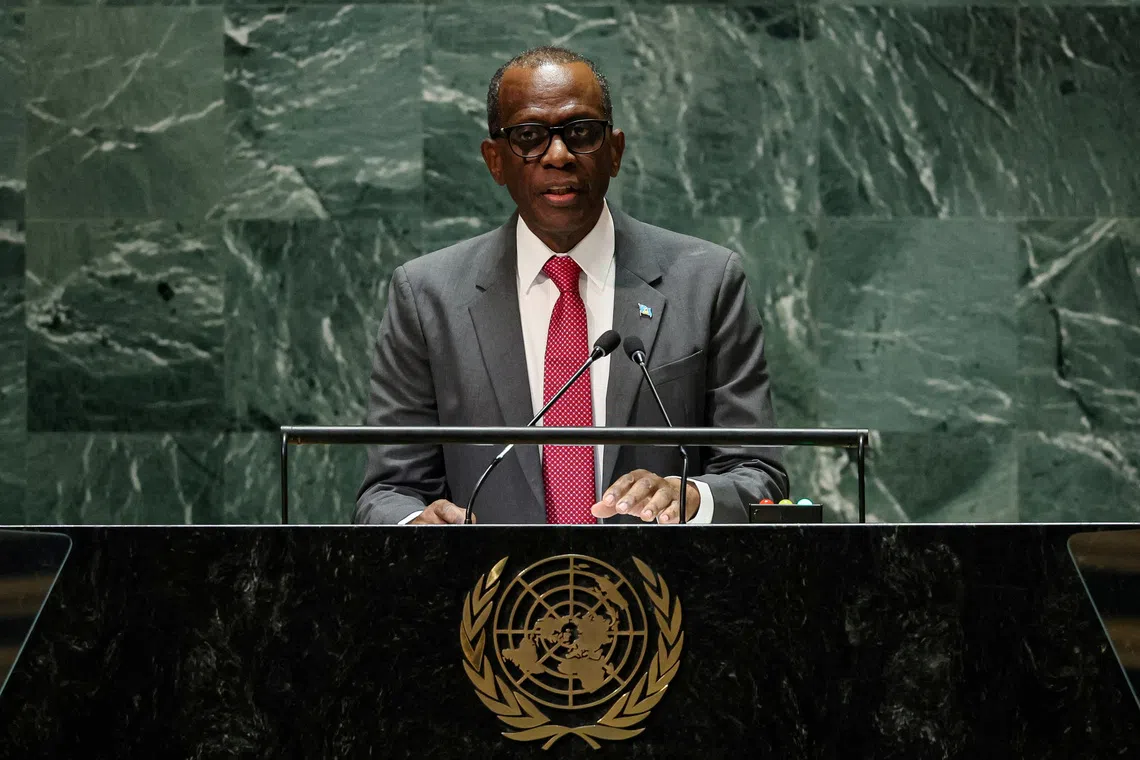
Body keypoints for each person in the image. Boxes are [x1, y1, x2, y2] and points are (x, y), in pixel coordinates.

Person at [355, 46, 788, 525]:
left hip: (663, 594)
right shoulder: (428, 296)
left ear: (615, 151)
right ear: (495, 161)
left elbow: (758, 473)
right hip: (493, 594)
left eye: (580, 133)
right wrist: (416, 525)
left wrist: (693, 497)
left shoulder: (706, 283)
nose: (558, 155)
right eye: (529, 136)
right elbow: (389, 488)